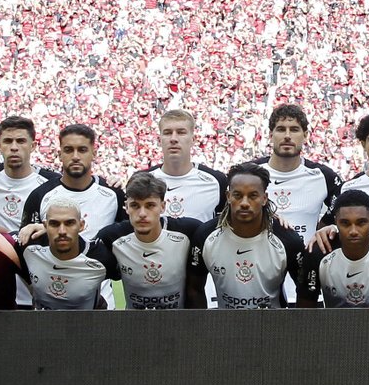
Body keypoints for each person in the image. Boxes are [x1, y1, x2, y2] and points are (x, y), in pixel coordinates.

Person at [188, 163, 310, 309]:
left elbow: (305, 293)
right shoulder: (205, 235)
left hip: (273, 328)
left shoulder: (288, 240)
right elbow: (194, 289)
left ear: (264, 198)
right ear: (228, 196)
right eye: (238, 195)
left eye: (253, 196)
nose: (245, 203)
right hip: (224, 328)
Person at [93, 172, 203, 310]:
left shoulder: (188, 232)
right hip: (134, 326)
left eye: (150, 205)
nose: (142, 213)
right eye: (135, 206)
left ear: (162, 206)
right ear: (126, 207)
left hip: (179, 325)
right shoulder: (111, 237)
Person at [296, 189, 369, 308]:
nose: (353, 231)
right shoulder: (318, 253)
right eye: (345, 223)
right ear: (336, 221)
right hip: (331, 325)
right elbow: (304, 311)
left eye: (361, 223)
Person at [253, 103, 342, 243]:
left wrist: (328, 227)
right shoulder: (250, 173)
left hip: (306, 263)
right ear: (270, 135)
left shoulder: (324, 176)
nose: (287, 136)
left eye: (294, 130)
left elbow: (343, 214)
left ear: (305, 135)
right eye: (281, 130)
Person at [23, 124, 127, 242]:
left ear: (94, 153)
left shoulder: (114, 194)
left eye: (82, 150)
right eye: (69, 150)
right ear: (60, 154)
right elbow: (27, 243)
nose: (76, 157)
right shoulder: (39, 195)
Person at [15, 197, 119, 311]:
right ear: (45, 226)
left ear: (81, 225)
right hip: (42, 325)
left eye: (69, 223)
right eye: (54, 224)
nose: (62, 231)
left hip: (87, 325)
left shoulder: (101, 257)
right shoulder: (27, 246)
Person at [0, 116, 59, 233]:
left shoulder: (51, 182)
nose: (14, 147)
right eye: (8, 141)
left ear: (33, 146)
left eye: (20, 141)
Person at [147, 109, 227, 222]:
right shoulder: (143, 179)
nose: (173, 139)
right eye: (167, 133)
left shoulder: (216, 181)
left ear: (193, 139)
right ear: (159, 140)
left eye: (181, 132)